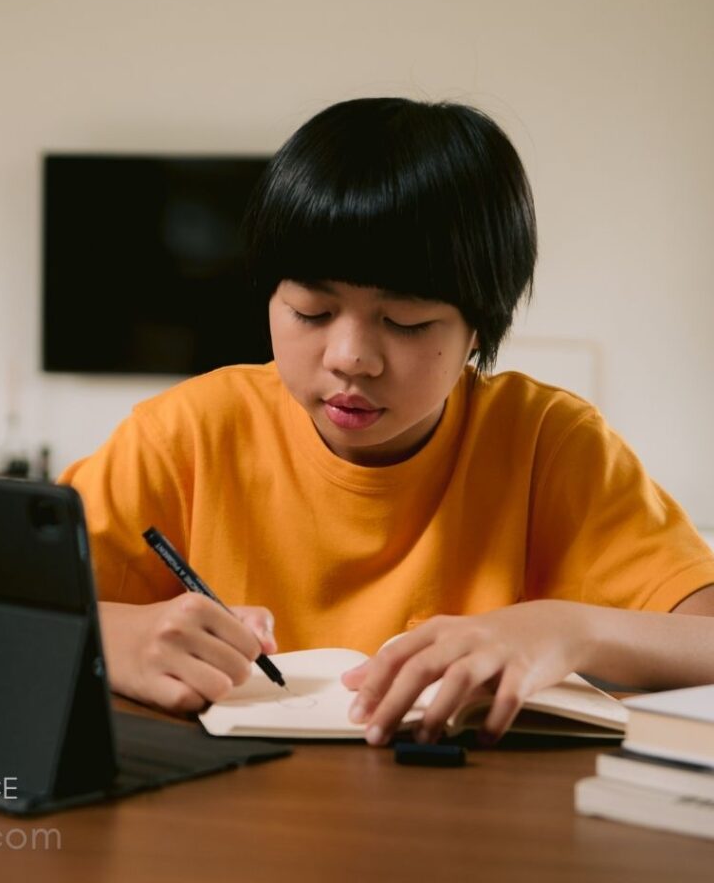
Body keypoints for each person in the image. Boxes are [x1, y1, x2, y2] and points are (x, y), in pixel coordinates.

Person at [59, 97, 714, 746]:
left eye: (406, 322)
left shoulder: (548, 441)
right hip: (222, 815)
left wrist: (567, 631)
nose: (351, 359)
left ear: (479, 328)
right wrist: (108, 636)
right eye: (312, 311)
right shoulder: (187, 433)